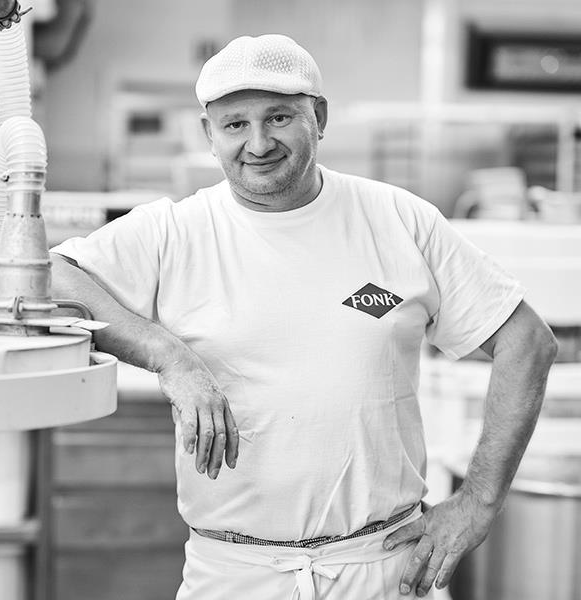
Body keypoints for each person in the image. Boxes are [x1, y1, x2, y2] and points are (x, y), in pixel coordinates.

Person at [50, 34, 557, 600]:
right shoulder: (174, 231)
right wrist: (170, 357)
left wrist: (479, 501)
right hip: (233, 574)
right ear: (208, 134)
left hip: (381, 569)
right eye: (234, 124)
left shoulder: (397, 219)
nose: (258, 142)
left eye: (280, 117)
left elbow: (527, 342)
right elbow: (51, 274)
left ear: (319, 117)